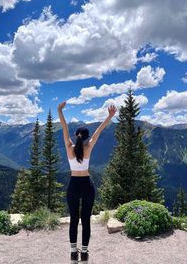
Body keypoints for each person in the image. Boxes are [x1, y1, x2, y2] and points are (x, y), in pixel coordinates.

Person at [57, 101, 117, 263]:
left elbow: (64, 128)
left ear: (76, 135)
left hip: (73, 185)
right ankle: (84, 253)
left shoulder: (69, 147)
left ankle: (72, 253)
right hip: (87, 185)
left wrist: (60, 111)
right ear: (86, 138)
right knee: (86, 220)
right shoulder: (88, 147)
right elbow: (99, 131)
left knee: (74, 220)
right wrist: (109, 116)